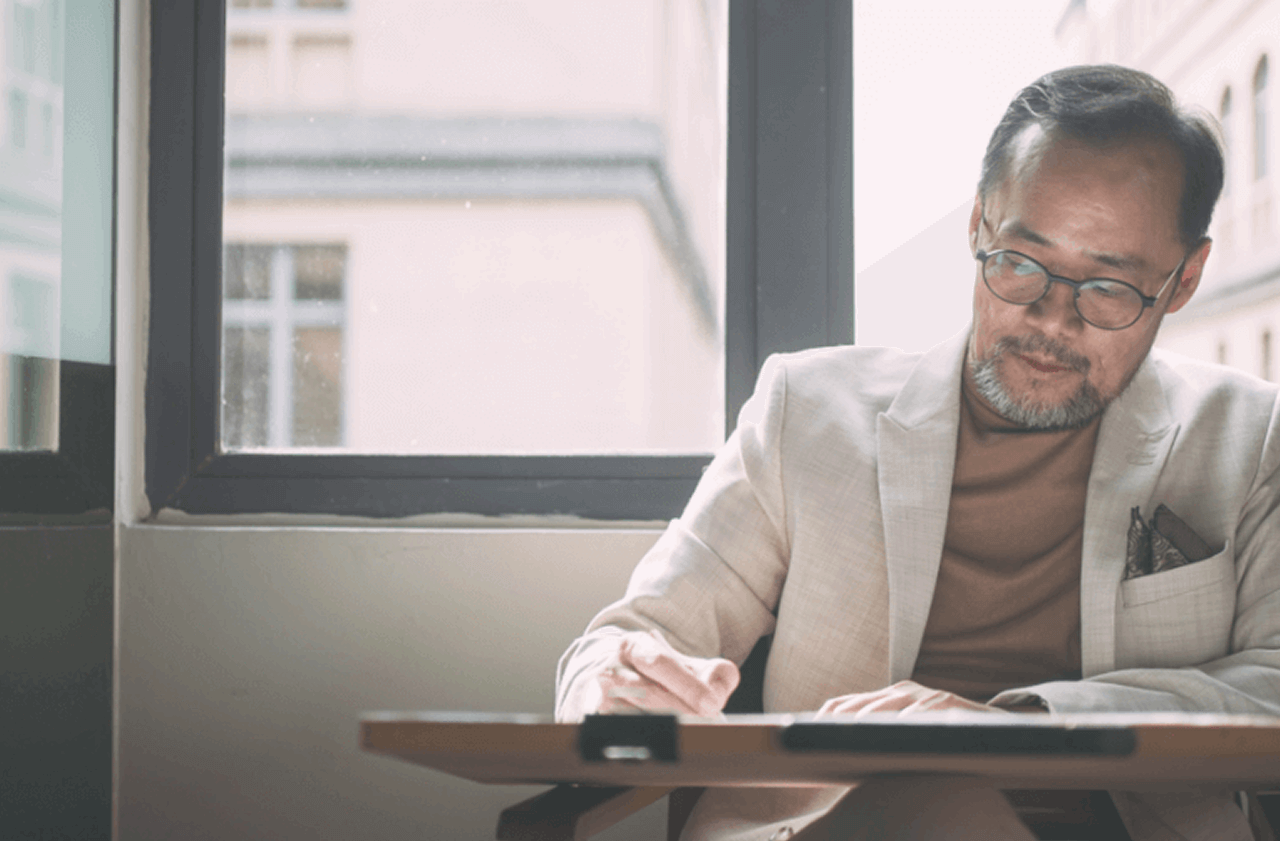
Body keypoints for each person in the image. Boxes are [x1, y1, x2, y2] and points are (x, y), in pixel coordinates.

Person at [555, 65, 1280, 841]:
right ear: (977, 227)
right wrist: (612, 681)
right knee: (932, 805)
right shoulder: (806, 411)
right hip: (826, 828)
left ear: (1183, 281)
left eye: (1107, 287)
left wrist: (1021, 725)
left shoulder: (1249, 437)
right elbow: (637, 634)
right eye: (1020, 263)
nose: (1051, 319)